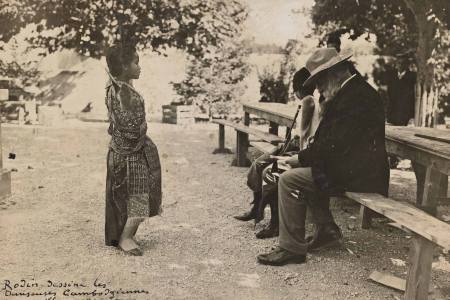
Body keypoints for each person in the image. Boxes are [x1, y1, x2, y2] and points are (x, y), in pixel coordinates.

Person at [257, 48, 389, 266]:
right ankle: (326, 229)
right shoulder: (351, 91)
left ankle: (291, 248)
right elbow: (332, 143)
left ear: (335, 73)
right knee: (306, 173)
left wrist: (300, 159)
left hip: (362, 173)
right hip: (354, 166)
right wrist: (303, 157)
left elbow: (335, 145)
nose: (317, 88)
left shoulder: (357, 98)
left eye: (319, 81)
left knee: (290, 179)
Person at [234, 67, 320, 239]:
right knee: (259, 163)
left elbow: (303, 134)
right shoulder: (308, 100)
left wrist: (295, 156)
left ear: (297, 89)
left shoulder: (308, 101)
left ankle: (275, 223)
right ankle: (256, 208)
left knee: (271, 172)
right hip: (292, 146)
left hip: (299, 150)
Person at [104, 43, 162, 256]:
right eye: (135, 62)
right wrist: (143, 128)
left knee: (127, 196)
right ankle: (126, 237)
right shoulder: (127, 95)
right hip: (131, 154)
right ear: (124, 66)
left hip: (119, 151)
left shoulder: (113, 87)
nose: (139, 66)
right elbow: (131, 130)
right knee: (141, 196)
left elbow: (115, 124)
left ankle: (124, 234)